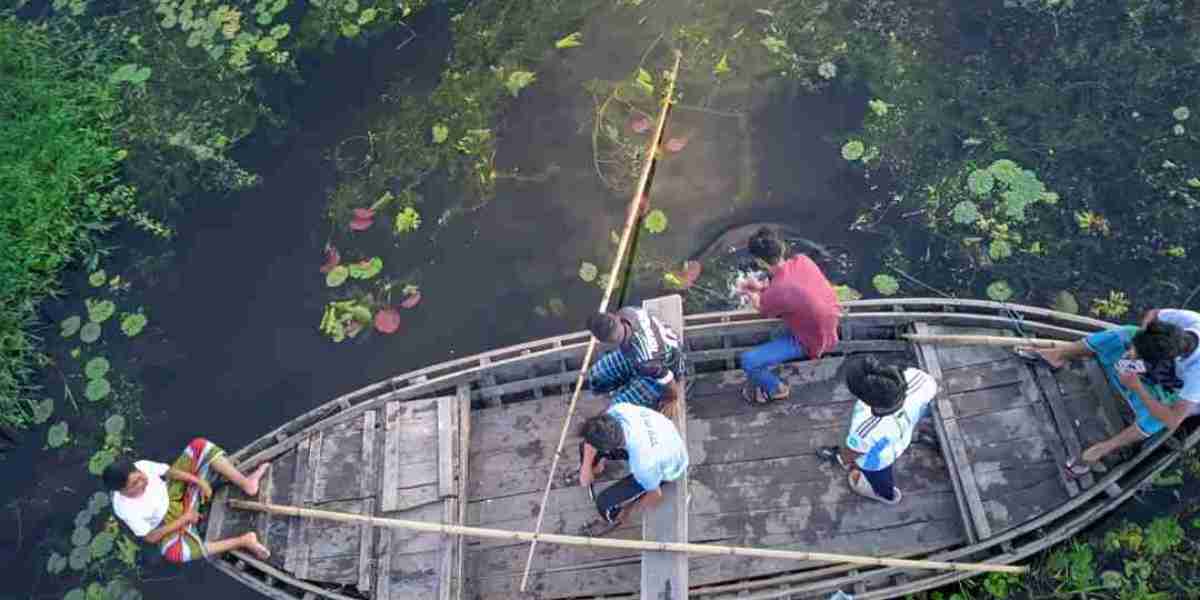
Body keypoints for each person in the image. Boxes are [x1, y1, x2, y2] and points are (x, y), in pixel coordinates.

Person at [1025, 310, 1199, 476]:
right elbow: (1153, 314)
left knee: (1158, 420)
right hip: (1161, 362)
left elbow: (1172, 420)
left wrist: (1136, 386)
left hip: (1178, 389)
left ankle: (1104, 448)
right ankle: (1059, 355)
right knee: (1127, 332)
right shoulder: (1190, 321)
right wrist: (1137, 347)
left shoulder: (1195, 374)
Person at [102, 437, 271, 564]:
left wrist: (199, 482)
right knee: (176, 554)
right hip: (168, 520)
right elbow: (151, 537)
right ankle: (244, 541)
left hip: (172, 492)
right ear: (122, 490)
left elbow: (170, 473)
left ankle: (246, 483)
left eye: (140, 477)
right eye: (135, 484)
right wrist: (185, 518)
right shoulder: (125, 509)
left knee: (199, 445)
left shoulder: (142, 466)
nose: (142, 482)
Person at [736, 227, 841, 404]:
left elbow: (762, 309)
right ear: (782, 248)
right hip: (830, 327)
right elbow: (791, 289)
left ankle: (777, 389)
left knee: (748, 361)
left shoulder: (777, 291)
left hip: (811, 341)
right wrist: (762, 288)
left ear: (760, 262)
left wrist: (751, 293)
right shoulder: (803, 260)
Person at [818, 356, 939, 505]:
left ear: (866, 399)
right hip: (904, 431)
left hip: (879, 459)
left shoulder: (864, 429)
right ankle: (916, 436)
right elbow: (926, 403)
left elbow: (854, 450)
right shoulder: (920, 378)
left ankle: (886, 495)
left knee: (879, 477)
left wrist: (843, 459)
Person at [576, 402, 689, 536]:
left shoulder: (643, 465)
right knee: (586, 446)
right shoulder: (618, 411)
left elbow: (655, 495)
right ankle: (597, 468)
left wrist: (629, 510)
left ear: (610, 448)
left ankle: (613, 520)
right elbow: (590, 441)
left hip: (670, 466)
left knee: (604, 503)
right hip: (662, 440)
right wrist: (586, 468)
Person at [587, 307, 684, 414]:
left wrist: (672, 398)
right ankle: (626, 386)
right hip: (648, 353)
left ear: (603, 341)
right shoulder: (627, 311)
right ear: (615, 316)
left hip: (667, 365)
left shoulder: (645, 359)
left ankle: (631, 391)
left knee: (614, 410)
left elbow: (668, 377)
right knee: (595, 376)